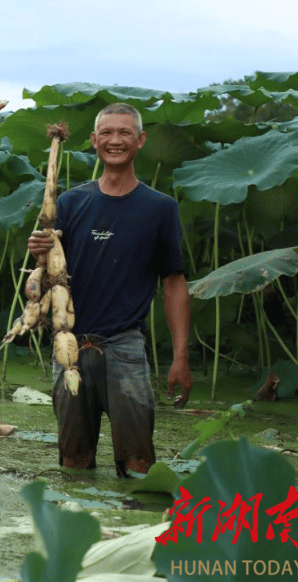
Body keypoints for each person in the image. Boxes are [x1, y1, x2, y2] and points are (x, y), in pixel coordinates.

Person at [27, 102, 192, 477]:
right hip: (69, 346)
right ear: (93, 140)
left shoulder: (159, 208)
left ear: (140, 140)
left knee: (137, 466)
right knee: (73, 462)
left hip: (125, 348)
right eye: (107, 133)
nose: (115, 141)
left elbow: (174, 284)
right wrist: (38, 257)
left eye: (124, 133)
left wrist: (180, 356)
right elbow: (49, 279)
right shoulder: (70, 203)